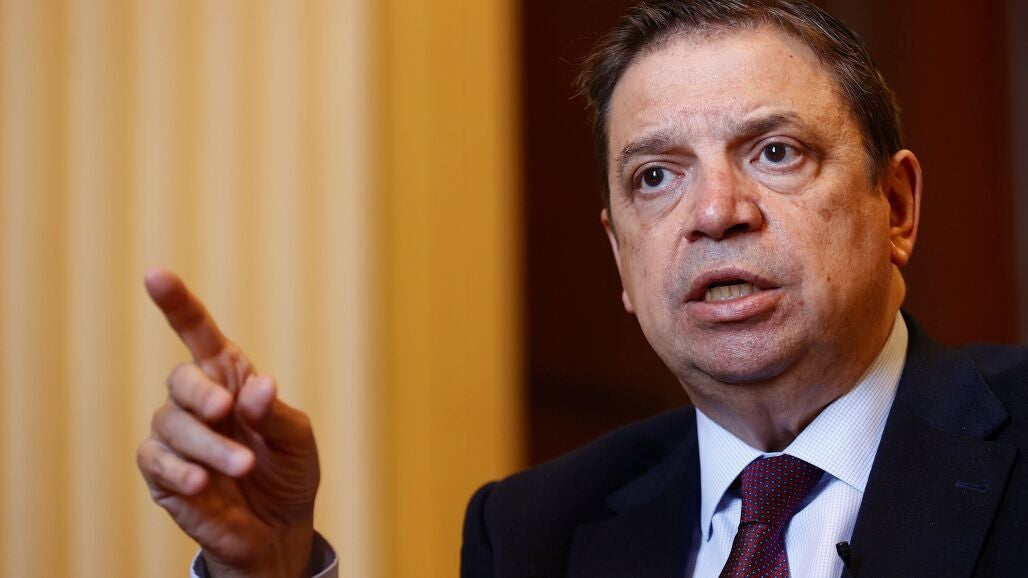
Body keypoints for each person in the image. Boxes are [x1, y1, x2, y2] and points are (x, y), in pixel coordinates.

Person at [137, 0, 1028, 576]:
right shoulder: (533, 533)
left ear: (896, 206)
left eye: (774, 152)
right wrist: (275, 568)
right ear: (620, 259)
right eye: (655, 176)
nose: (715, 212)